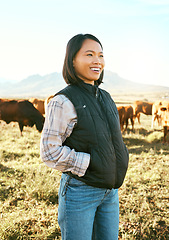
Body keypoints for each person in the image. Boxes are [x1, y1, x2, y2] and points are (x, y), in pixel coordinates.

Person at [40, 33, 129, 240]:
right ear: (72, 60)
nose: (97, 60)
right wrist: (90, 162)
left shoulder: (105, 97)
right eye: (89, 54)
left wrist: (120, 156)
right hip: (80, 192)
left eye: (100, 55)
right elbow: (49, 151)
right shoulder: (62, 101)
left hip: (110, 192)